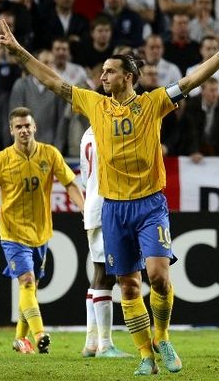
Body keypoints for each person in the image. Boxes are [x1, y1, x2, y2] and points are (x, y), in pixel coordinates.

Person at [0, 15, 219, 375]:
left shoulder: (154, 103)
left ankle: (161, 337)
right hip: (113, 209)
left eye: (109, 72)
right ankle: (146, 354)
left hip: (150, 205)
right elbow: (52, 80)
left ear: (128, 77)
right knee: (128, 287)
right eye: (102, 71)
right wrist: (19, 51)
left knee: (159, 276)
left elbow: (193, 79)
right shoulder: (93, 104)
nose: (102, 77)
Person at [0, 107, 85, 354]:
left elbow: (70, 183)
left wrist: (84, 209)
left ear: (35, 127)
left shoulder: (50, 154)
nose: (23, 130)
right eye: (18, 127)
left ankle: (20, 339)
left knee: (30, 287)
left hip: (41, 232)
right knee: (27, 282)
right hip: (12, 233)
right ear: (11, 130)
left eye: (27, 125)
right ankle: (40, 333)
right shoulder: (2, 159)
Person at [79, 126, 131, 358]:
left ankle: (91, 343)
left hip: (92, 204)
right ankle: (106, 345)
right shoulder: (111, 130)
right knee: (106, 275)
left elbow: (83, 175)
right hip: (106, 208)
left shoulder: (87, 134)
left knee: (99, 274)